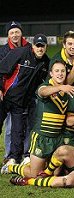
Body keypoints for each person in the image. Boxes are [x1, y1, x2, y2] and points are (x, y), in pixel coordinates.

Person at [1, 60, 74, 177]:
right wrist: (60, 87)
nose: (60, 73)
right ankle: (12, 167)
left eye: (62, 71)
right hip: (42, 138)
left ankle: (46, 163)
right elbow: (43, 92)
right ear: (51, 73)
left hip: (57, 138)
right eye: (56, 71)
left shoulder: (66, 89)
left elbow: (68, 83)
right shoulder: (46, 86)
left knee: (56, 174)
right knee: (35, 174)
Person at [0, 34, 49, 165]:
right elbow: (1, 69)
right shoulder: (20, 53)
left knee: (18, 132)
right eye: (37, 46)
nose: (40, 49)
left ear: (46, 47)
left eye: (42, 46)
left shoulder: (45, 63)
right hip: (5, 97)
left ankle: (14, 159)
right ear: (33, 46)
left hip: (21, 103)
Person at [0, 21, 31, 165]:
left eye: (17, 31)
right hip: (7, 95)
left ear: (21, 33)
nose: (14, 34)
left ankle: (24, 155)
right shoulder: (3, 50)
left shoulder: (29, 48)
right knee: (10, 127)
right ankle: (9, 155)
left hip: (24, 96)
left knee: (23, 127)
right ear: (8, 35)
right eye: (11, 32)